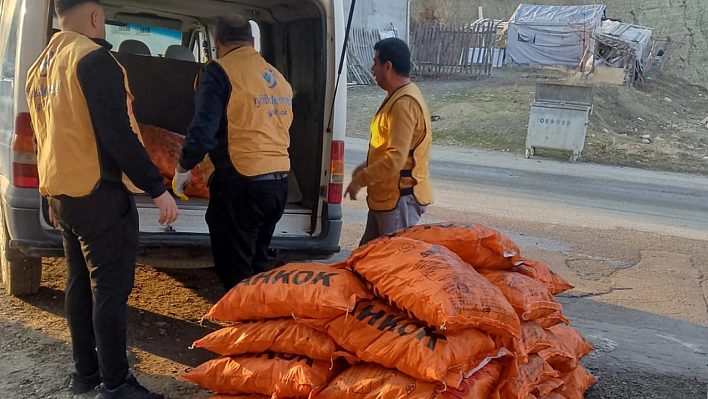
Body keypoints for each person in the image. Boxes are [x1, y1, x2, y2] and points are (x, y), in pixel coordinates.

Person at [25, 1, 177, 398]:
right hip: (100, 195)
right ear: (95, 17)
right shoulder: (94, 60)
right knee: (109, 291)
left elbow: (45, 136)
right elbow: (117, 134)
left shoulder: (41, 66)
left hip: (64, 195)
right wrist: (158, 189)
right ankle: (116, 383)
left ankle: (86, 375)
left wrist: (48, 194)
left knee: (79, 286)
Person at [172, 14, 292, 291]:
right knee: (257, 266)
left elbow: (202, 130)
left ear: (217, 42)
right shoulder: (276, 76)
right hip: (278, 185)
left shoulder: (219, 72)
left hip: (241, 186)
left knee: (234, 271)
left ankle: (243, 329)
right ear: (252, 41)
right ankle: (256, 325)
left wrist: (183, 168)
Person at [345, 37, 433, 245]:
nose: (372, 68)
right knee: (366, 258)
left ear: (388, 66)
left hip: (399, 200)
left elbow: (395, 159)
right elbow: (388, 148)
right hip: (387, 199)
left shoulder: (404, 103)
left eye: (375, 62)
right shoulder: (398, 97)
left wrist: (361, 179)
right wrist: (366, 167)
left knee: (391, 263)